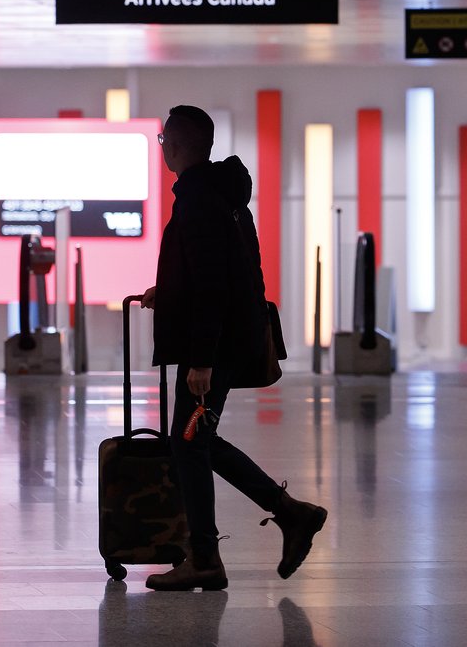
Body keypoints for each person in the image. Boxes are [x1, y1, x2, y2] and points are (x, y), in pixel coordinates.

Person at [140, 105, 327, 592]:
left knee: (189, 442)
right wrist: (171, 291)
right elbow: (223, 271)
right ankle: (289, 514)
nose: (163, 149)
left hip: (212, 348)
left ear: (176, 145)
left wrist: (201, 358)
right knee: (194, 441)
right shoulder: (222, 195)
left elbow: (214, 284)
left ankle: (206, 557)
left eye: (163, 142)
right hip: (223, 339)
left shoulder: (199, 199)